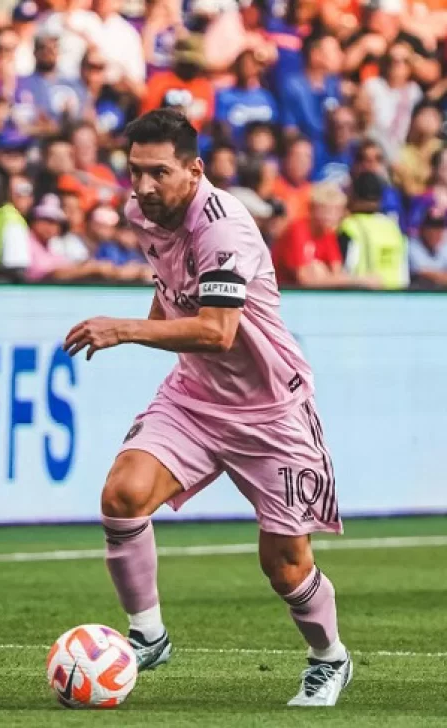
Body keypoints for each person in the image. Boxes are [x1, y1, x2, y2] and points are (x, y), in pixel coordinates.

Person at [63, 109, 352, 707]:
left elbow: (219, 331)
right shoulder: (145, 212)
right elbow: (170, 284)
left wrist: (124, 331)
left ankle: (329, 657)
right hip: (195, 395)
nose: (142, 187)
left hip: (270, 410)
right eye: (135, 172)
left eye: (158, 173)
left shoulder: (223, 228)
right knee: (122, 496)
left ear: (194, 171)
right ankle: (147, 635)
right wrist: (149, 320)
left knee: (286, 565)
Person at [272, 182, 373, 288]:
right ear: (312, 209)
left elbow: (336, 272)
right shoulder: (297, 231)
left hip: (309, 296)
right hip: (283, 292)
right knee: (316, 268)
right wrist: (359, 280)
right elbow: (306, 280)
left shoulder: (328, 234)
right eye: (325, 210)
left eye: (336, 211)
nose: (330, 216)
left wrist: (327, 277)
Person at [339, 172, 408, 290]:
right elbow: (403, 271)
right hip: (396, 297)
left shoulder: (349, 226)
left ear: (353, 195)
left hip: (363, 297)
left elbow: (345, 269)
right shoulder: (393, 227)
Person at [408, 206, 447, 288]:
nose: (435, 233)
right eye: (431, 228)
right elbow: (421, 273)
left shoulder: (444, 246)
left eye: (438, 228)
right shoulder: (413, 245)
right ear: (422, 229)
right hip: (417, 295)